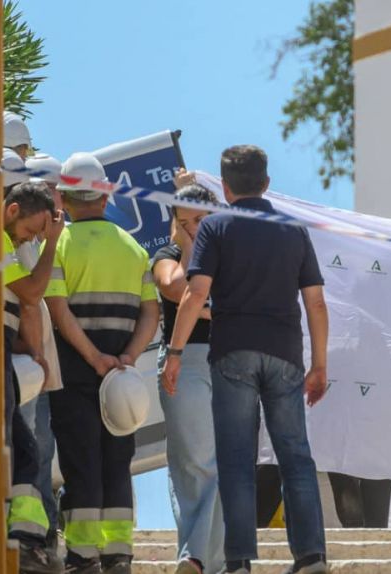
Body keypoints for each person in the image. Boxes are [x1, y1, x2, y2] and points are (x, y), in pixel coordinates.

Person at [162, 145, 329, 574]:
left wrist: (175, 353)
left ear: (225, 186)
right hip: (285, 354)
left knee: (236, 460)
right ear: (266, 182)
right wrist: (319, 365)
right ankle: (311, 556)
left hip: (232, 353)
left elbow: (195, 294)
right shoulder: (293, 230)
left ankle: (238, 562)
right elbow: (315, 302)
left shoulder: (216, 227)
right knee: (296, 456)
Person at [45, 152, 160, 574]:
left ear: (63, 197)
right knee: (116, 462)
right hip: (121, 378)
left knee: (81, 462)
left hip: (75, 374)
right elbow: (151, 312)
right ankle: (119, 553)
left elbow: (57, 308)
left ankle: (82, 555)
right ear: (106, 195)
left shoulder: (59, 246)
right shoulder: (133, 248)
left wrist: (93, 358)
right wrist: (128, 356)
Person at [153, 180, 225, 574]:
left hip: (230, 362)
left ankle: (204, 560)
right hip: (186, 363)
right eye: (185, 223)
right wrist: (187, 247)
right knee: (194, 462)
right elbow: (174, 287)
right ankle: (197, 556)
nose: (195, 229)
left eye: (201, 221)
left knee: (221, 463)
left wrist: (207, 305)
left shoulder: (232, 254)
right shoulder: (167, 255)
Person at [2, 181, 64, 573]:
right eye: (31, 230)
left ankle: (25, 543)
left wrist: (25, 347)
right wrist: (52, 244)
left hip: (3, 351)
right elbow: (31, 294)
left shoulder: (6, 242)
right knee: (18, 449)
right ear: (12, 211)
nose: (31, 239)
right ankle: (23, 545)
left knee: (24, 450)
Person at [19, 152, 66, 550]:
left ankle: (43, 531)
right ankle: (34, 535)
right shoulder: (20, 241)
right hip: (28, 362)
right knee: (31, 449)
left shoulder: (35, 238)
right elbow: (32, 298)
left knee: (40, 450)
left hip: (38, 363)